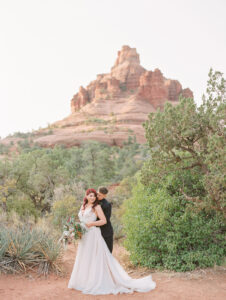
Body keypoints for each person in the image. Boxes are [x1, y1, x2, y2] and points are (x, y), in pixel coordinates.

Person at [68, 188, 156, 295]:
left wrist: (91, 224)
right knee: (85, 256)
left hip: (92, 234)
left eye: (94, 196)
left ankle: (97, 281)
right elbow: (82, 219)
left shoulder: (97, 206)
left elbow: (104, 221)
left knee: (95, 257)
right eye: (90, 195)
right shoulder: (83, 206)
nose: (92, 197)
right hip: (84, 236)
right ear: (86, 196)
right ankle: (84, 281)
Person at [97, 186, 113, 253]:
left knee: (107, 252)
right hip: (95, 231)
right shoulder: (93, 200)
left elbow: (106, 220)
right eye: (97, 193)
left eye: (100, 195)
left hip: (106, 232)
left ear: (105, 196)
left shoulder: (107, 205)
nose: (97, 196)